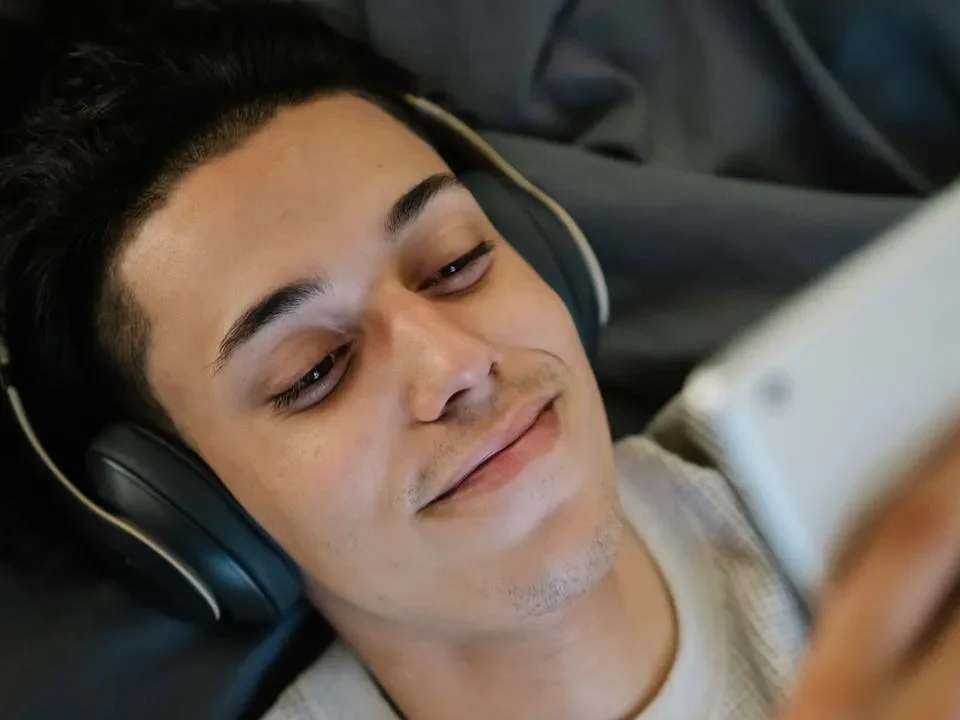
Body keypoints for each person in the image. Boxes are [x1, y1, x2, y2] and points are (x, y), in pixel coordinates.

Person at [1, 2, 958, 719]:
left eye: (456, 263)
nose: (455, 361)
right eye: (313, 371)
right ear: (195, 523)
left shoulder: (869, 479)